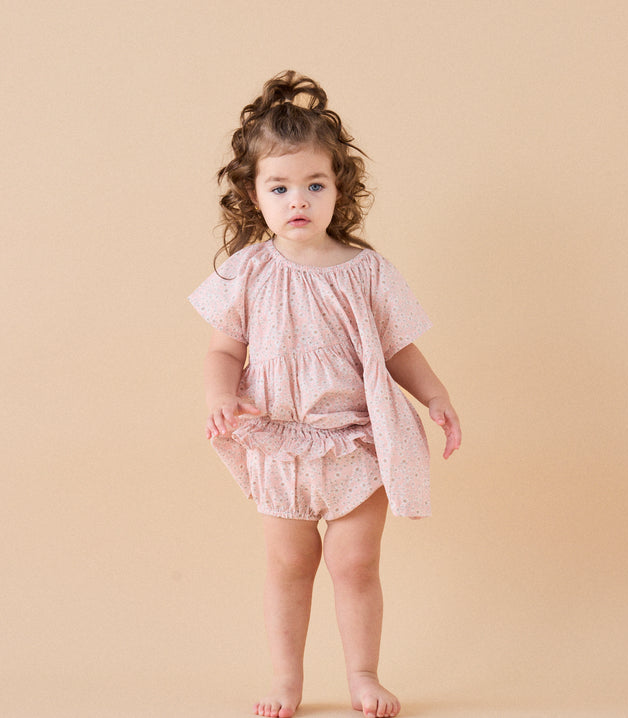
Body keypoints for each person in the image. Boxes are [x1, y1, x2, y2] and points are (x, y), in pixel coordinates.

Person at [189, 70, 461, 718]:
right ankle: (287, 683)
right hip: (280, 442)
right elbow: (222, 349)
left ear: (340, 188)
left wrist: (436, 396)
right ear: (255, 196)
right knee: (288, 567)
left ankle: (364, 674)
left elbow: (398, 348)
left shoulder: (367, 270)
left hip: (355, 441)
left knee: (355, 564)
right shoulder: (247, 270)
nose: (298, 199)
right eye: (280, 187)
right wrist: (219, 398)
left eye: (315, 183)